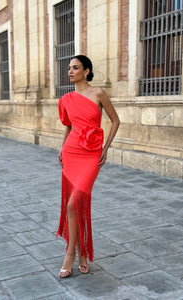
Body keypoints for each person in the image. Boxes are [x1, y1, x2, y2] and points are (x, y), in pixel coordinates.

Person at [57, 55, 120, 278]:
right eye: (69, 68)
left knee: (75, 202)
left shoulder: (98, 93)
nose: (70, 71)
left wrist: (106, 148)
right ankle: (77, 253)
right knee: (74, 204)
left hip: (92, 154)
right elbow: (68, 127)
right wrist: (61, 148)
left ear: (87, 71)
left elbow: (115, 121)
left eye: (75, 68)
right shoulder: (65, 99)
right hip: (72, 152)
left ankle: (73, 253)